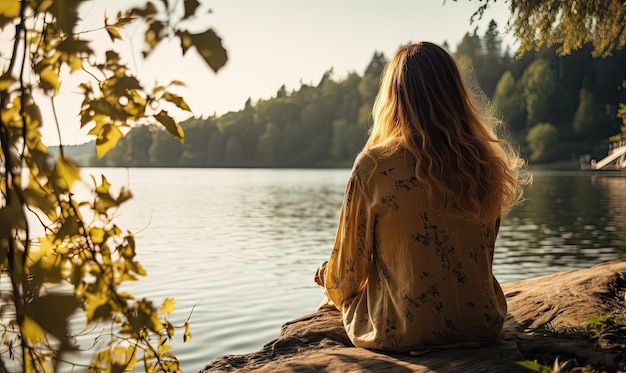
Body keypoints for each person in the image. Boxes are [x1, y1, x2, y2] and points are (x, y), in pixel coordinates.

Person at [314, 41, 529, 353]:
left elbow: (348, 275)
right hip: (480, 324)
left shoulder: (375, 165)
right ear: (455, 95)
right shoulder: (485, 162)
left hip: (402, 332)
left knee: (332, 292)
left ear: (394, 98)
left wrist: (326, 274)